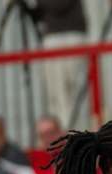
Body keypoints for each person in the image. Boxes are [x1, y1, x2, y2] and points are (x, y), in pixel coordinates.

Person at [31, 0, 87, 128]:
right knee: (55, 94)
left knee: (71, 91)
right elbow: (38, 14)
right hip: (53, 37)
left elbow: (58, 6)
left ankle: (75, 133)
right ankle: (59, 133)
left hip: (69, 36)